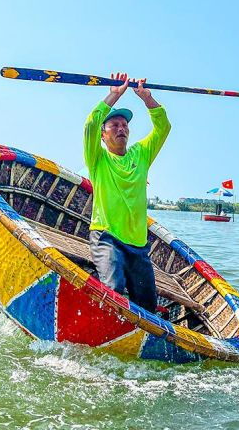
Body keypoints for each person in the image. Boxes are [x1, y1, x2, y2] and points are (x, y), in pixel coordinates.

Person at [83, 73, 171, 314]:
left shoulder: (141, 154)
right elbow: (91, 124)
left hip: (138, 244)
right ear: (104, 135)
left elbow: (163, 127)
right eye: (114, 125)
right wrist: (115, 94)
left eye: (124, 125)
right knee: (113, 289)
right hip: (107, 236)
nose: (121, 128)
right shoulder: (98, 159)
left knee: (148, 307)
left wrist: (147, 99)